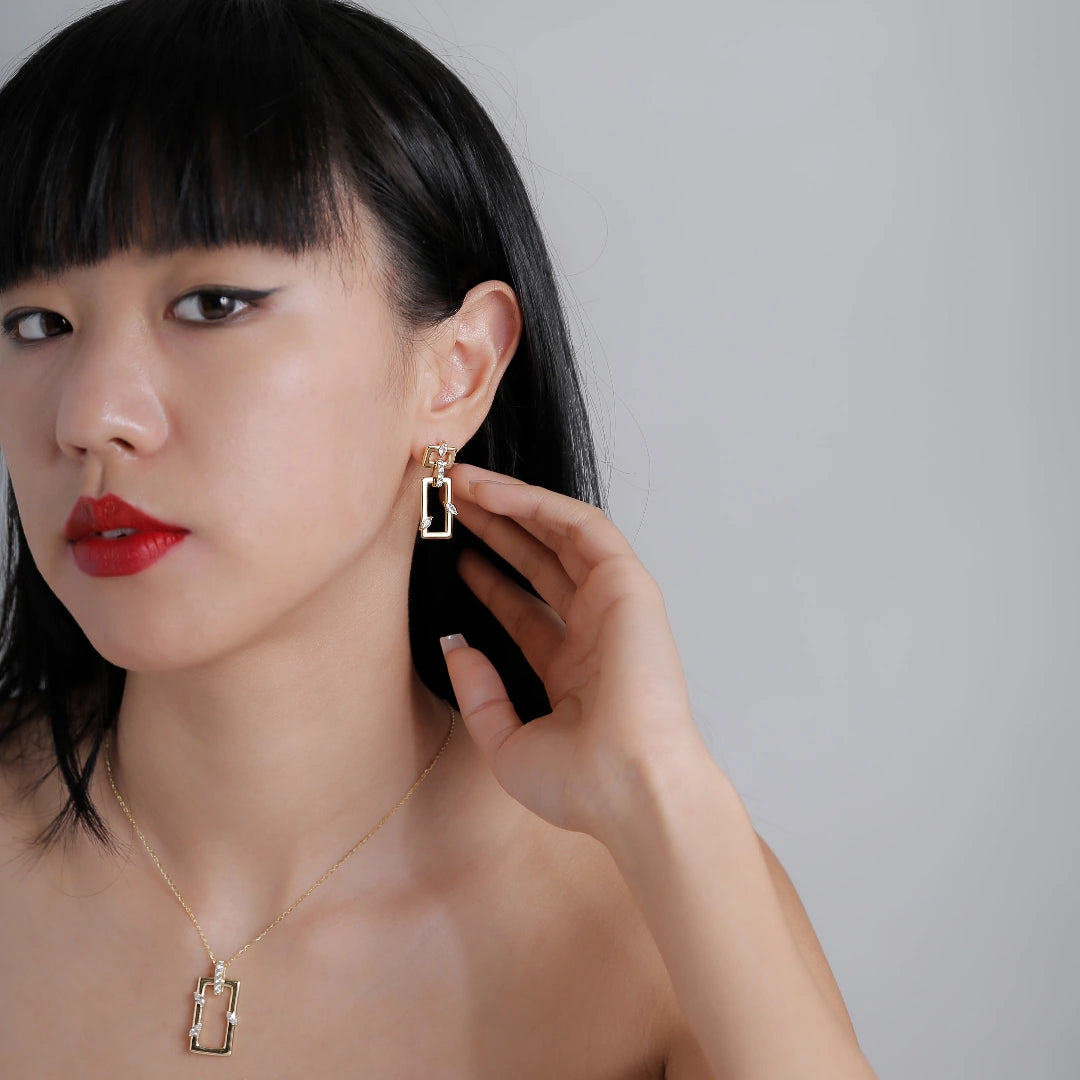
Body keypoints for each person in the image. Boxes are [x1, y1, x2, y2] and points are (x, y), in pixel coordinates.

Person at [0, 1, 876, 1076]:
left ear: (455, 372)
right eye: (35, 324)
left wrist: (667, 799)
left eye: (214, 304)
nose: (89, 416)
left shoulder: (660, 918)